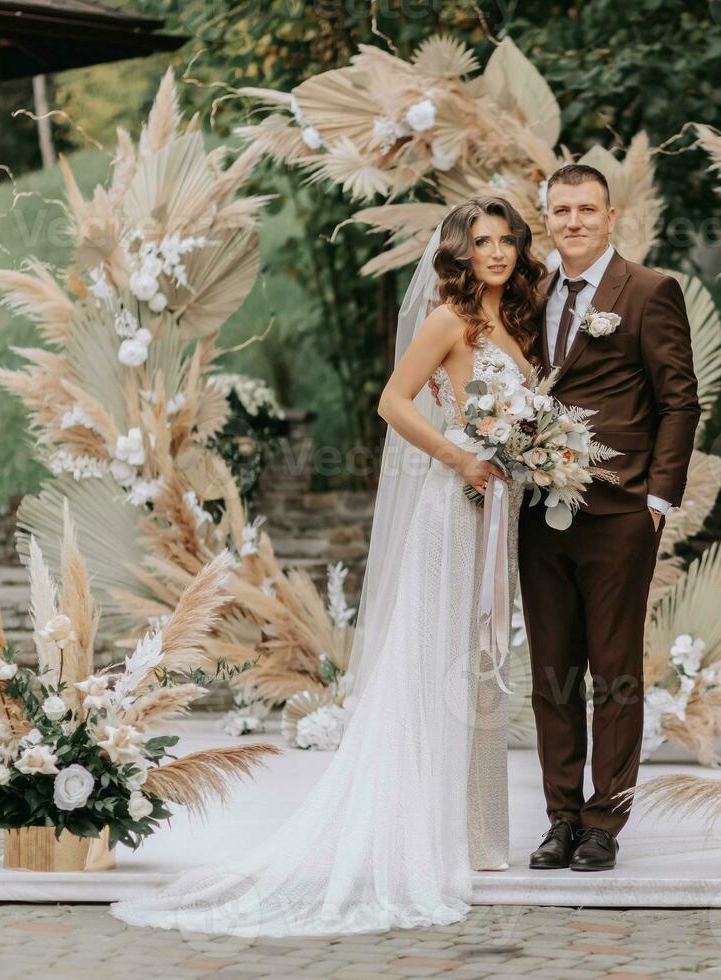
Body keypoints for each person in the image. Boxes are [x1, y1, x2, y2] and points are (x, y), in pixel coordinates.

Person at [109, 196, 542, 937]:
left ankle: (476, 835)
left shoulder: (517, 323)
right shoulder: (449, 318)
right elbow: (392, 402)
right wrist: (460, 456)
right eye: (482, 242)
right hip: (455, 504)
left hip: (499, 509)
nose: (496, 252)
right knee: (434, 658)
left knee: (478, 664)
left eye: (507, 240)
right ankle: (421, 831)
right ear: (460, 253)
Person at [520, 164, 700, 873]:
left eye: (585, 209)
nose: (573, 221)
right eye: (560, 210)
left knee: (614, 672)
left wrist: (658, 499)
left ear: (611, 215)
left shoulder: (650, 290)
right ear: (548, 218)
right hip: (539, 512)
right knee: (549, 669)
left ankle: (604, 822)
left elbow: (679, 401)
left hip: (621, 510)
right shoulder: (529, 295)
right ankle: (560, 817)